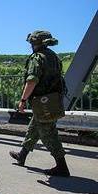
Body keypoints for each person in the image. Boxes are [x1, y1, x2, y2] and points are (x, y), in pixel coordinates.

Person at [9, 30, 70, 177]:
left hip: (43, 102)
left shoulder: (37, 58)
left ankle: (62, 166)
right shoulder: (53, 56)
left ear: (34, 43)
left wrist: (23, 100)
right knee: (34, 127)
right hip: (52, 99)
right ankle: (22, 155)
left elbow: (32, 80)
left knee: (48, 133)